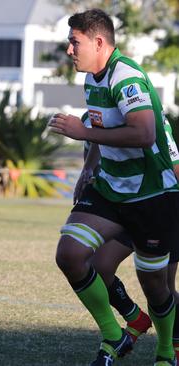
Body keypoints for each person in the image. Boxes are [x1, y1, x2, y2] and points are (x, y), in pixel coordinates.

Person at [49, 9, 179, 366]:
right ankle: (114, 332)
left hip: (152, 193)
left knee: (157, 286)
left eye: (75, 42)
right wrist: (88, 168)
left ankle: (167, 352)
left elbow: (145, 133)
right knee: (70, 255)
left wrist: (82, 132)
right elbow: (97, 128)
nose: (69, 50)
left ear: (99, 42)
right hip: (110, 188)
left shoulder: (126, 77)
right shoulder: (93, 79)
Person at [76, 114, 179, 359]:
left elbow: (173, 162)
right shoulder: (93, 117)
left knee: (162, 286)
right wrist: (88, 170)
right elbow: (96, 145)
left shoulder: (150, 119)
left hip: (160, 204)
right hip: (121, 203)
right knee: (99, 266)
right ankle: (135, 318)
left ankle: (172, 346)